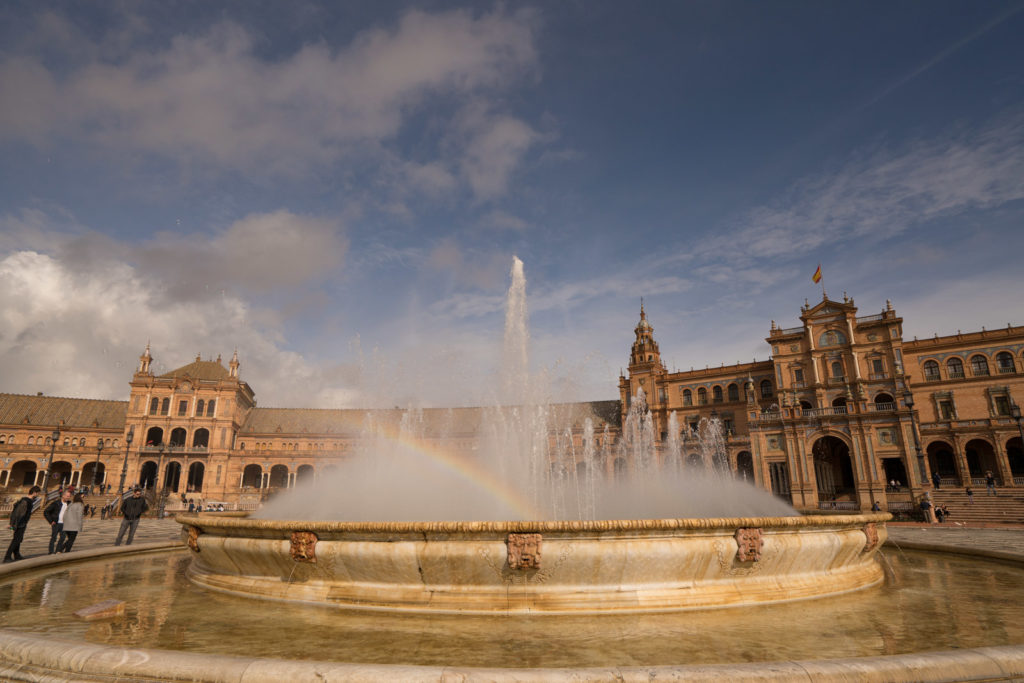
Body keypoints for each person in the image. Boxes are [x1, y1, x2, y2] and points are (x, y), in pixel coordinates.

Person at [4, 486, 41, 563]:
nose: (38, 495)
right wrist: (13, 524)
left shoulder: (27, 501)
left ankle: (17, 555)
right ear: (34, 493)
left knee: (19, 539)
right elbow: (18, 513)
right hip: (20, 523)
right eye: (37, 493)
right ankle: (7, 556)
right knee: (16, 540)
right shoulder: (26, 501)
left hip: (22, 523)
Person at [43, 489, 73, 554]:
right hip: (56, 523)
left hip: (64, 523)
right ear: (63, 496)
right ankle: (51, 552)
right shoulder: (56, 503)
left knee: (63, 537)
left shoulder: (69, 503)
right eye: (67, 496)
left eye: (69, 496)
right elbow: (46, 512)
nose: (68, 497)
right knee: (54, 538)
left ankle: (58, 550)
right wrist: (51, 521)